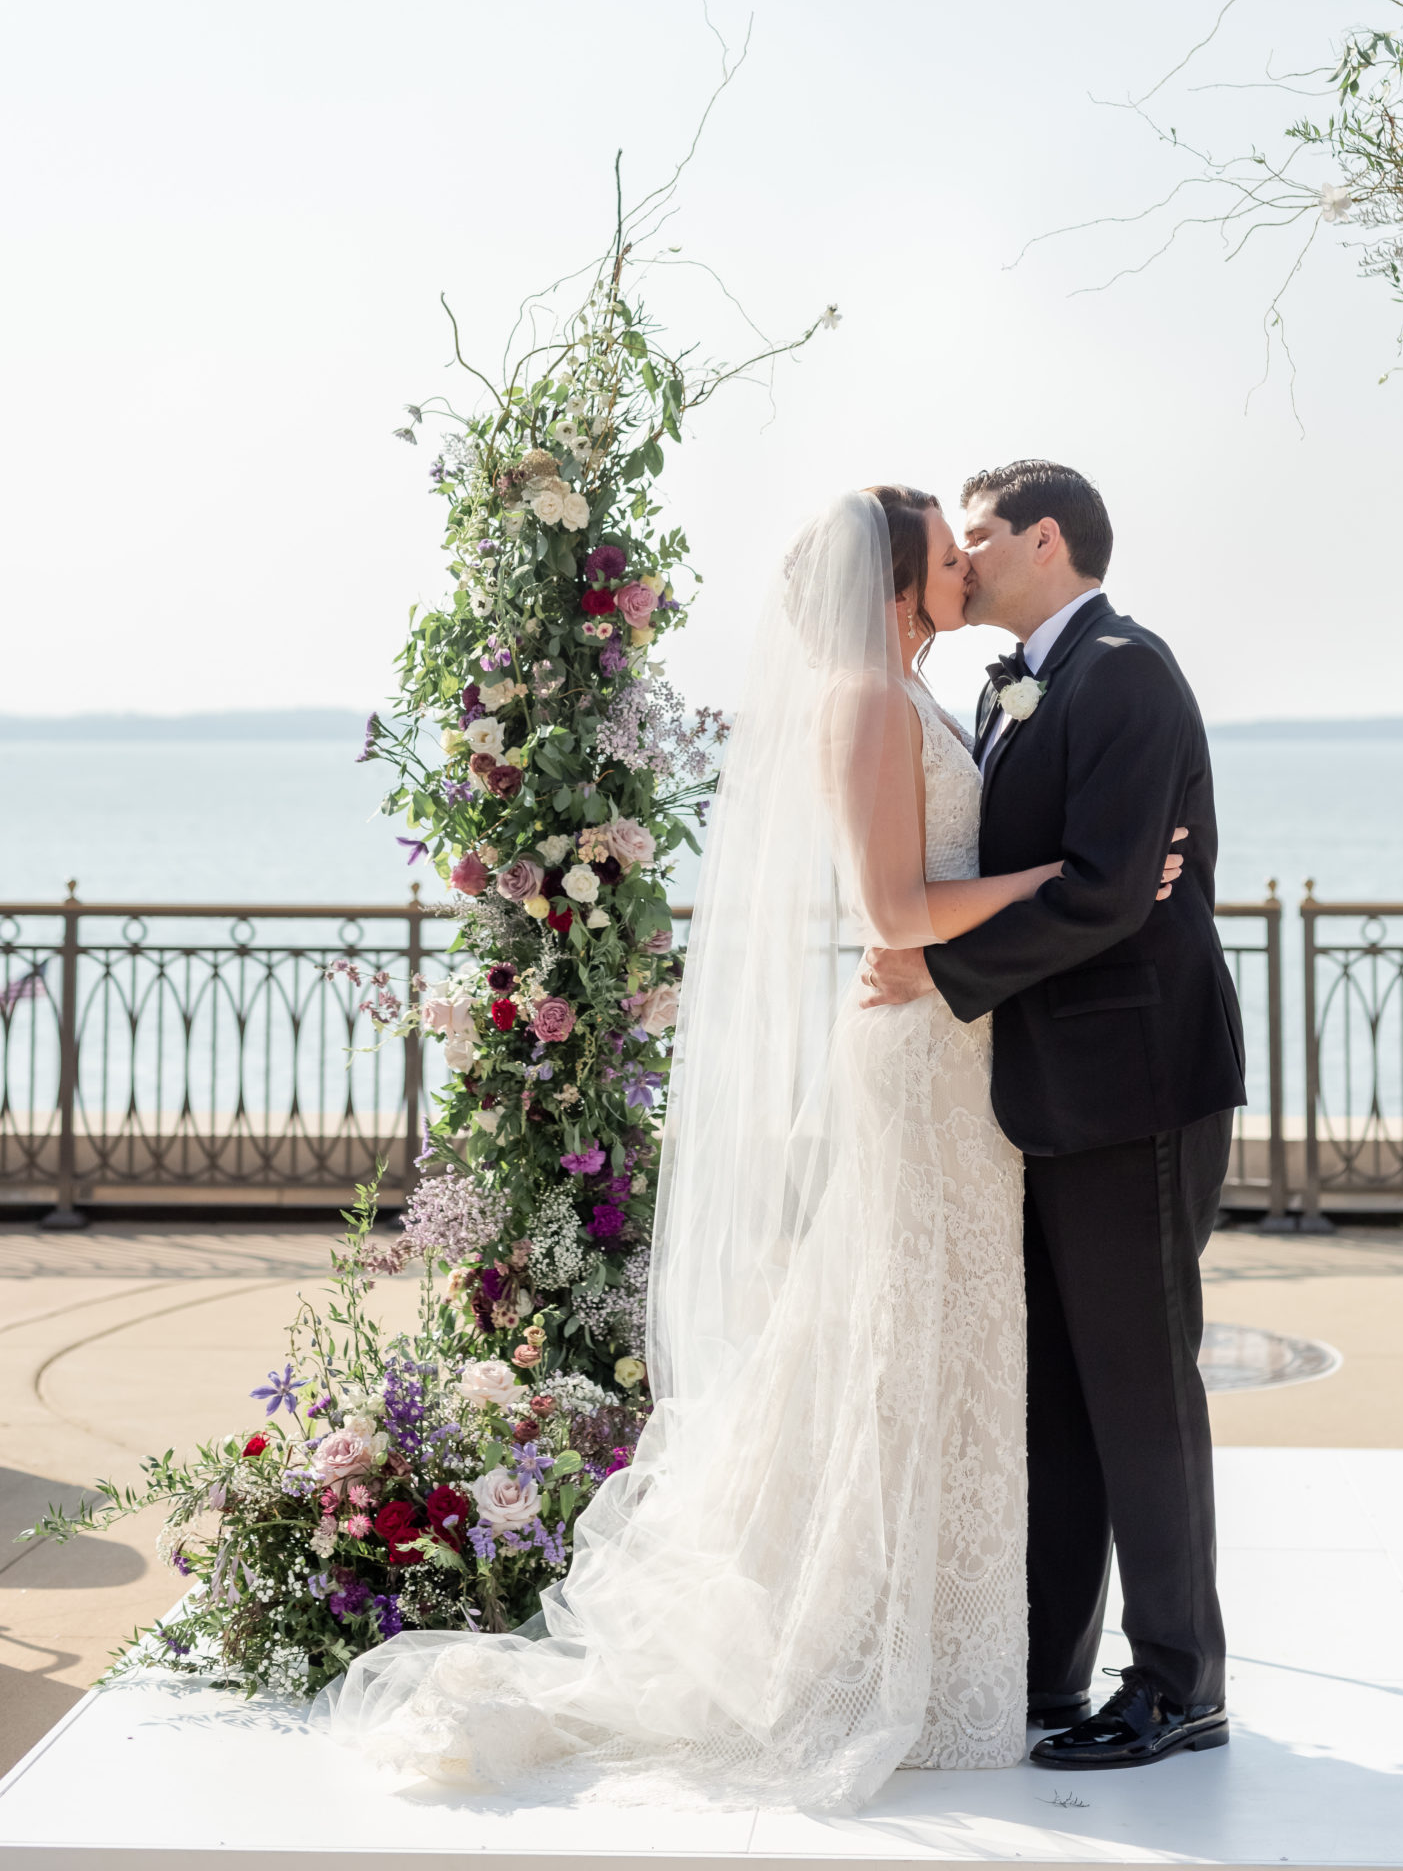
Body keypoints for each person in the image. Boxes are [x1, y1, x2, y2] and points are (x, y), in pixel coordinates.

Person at [315, 485, 1182, 1809]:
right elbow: (894, 909)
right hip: (921, 1056)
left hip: (962, 1051)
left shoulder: (917, 691)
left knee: (941, 1346)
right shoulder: (866, 700)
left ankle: (959, 1643)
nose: (963, 564)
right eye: (944, 550)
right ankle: (874, 1646)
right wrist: (1066, 882)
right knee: (902, 1339)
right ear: (897, 578)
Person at [860, 459, 1245, 1772]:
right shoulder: (1006, 684)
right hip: (1040, 1090)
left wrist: (937, 970)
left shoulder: (1126, 671)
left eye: (976, 536)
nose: (960, 559)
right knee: (1064, 1394)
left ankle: (1182, 1685)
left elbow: (1107, 892)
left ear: (1044, 539)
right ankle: (1048, 1671)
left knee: (1141, 1387)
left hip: (1137, 1082)